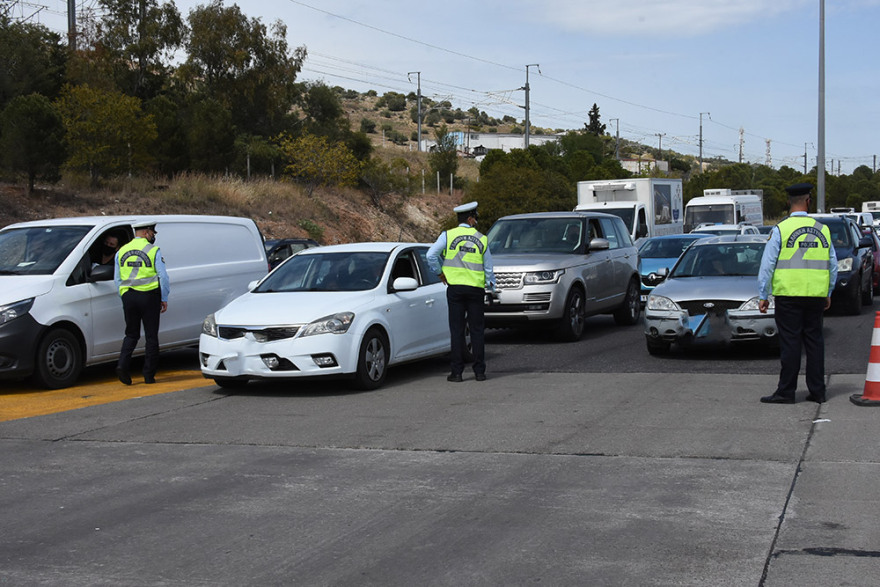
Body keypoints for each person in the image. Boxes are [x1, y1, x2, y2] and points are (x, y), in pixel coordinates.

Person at [757, 183, 838, 404]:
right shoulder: (822, 229)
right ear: (808, 201)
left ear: (788, 202)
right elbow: (832, 264)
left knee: (791, 343)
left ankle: (786, 391)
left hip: (788, 295)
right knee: (814, 343)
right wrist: (828, 291)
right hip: (815, 295)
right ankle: (818, 391)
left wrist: (763, 294)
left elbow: (768, 265)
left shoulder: (781, 229)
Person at [427, 201, 495, 383]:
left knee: (457, 330)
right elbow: (489, 268)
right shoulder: (482, 238)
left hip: (455, 288)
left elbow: (430, 255)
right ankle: (479, 372)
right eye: (475, 218)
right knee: (477, 330)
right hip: (475, 289)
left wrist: (440, 272)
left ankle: (456, 372)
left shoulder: (447, 236)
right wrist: (492, 287)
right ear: (471, 218)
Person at [114, 220, 170, 385]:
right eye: (152, 233)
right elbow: (163, 277)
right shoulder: (153, 251)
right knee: (151, 336)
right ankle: (148, 375)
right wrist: (164, 297)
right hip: (149, 296)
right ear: (146, 232)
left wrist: (124, 295)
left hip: (129, 297)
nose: (153, 236)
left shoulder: (121, 251)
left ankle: (122, 366)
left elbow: (117, 278)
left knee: (131, 334)